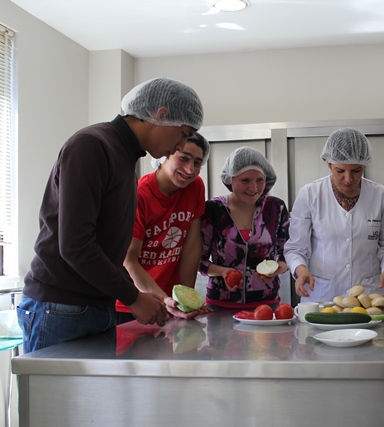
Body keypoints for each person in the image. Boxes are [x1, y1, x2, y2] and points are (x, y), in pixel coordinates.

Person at [17, 77, 204, 353]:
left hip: (96, 305)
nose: (180, 145)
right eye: (183, 133)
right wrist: (133, 297)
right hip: (61, 306)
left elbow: (108, 248)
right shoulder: (92, 145)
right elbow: (75, 245)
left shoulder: (125, 156)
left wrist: (143, 295)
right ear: (162, 115)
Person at [284, 128, 384, 303]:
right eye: (340, 171)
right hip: (323, 294)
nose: (348, 179)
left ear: (364, 165)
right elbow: (296, 248)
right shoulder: (310, 194)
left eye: (356, 171)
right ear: (328, 164)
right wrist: (301, 270)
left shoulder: (380, 195)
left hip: (368, 294)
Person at [117, 132, 213, 324]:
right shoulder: (140, 195)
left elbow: (192, 246)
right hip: (135, 303)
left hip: (171, 303)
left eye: (197, 163)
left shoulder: (195, 187)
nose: (190, 170)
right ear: (164, 156)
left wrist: (186, 301)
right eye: (184, 158)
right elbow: (129, 260)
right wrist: (165, 300)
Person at [199, 146, 290, 310]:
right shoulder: (213, 209)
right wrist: (224, 272)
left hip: (267, 304)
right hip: (221, 304)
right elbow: (198, 261)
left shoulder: (276, 208)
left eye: (260, 180)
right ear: (230, 179)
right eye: (245, 180)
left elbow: (287, 253)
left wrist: (276, 270)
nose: (254, 188)